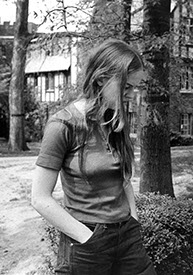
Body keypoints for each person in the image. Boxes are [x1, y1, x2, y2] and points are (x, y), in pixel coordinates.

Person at [31, 39, 156, 275]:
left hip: (127, 236)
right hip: (88, 241)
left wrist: (133, 219)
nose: (131, 94)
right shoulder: (63, 125)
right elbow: (39, 198)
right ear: (100, 79)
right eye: (126, 87)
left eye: (135, 88)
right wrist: (87, 238)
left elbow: (123, 178)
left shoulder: (114, 120)